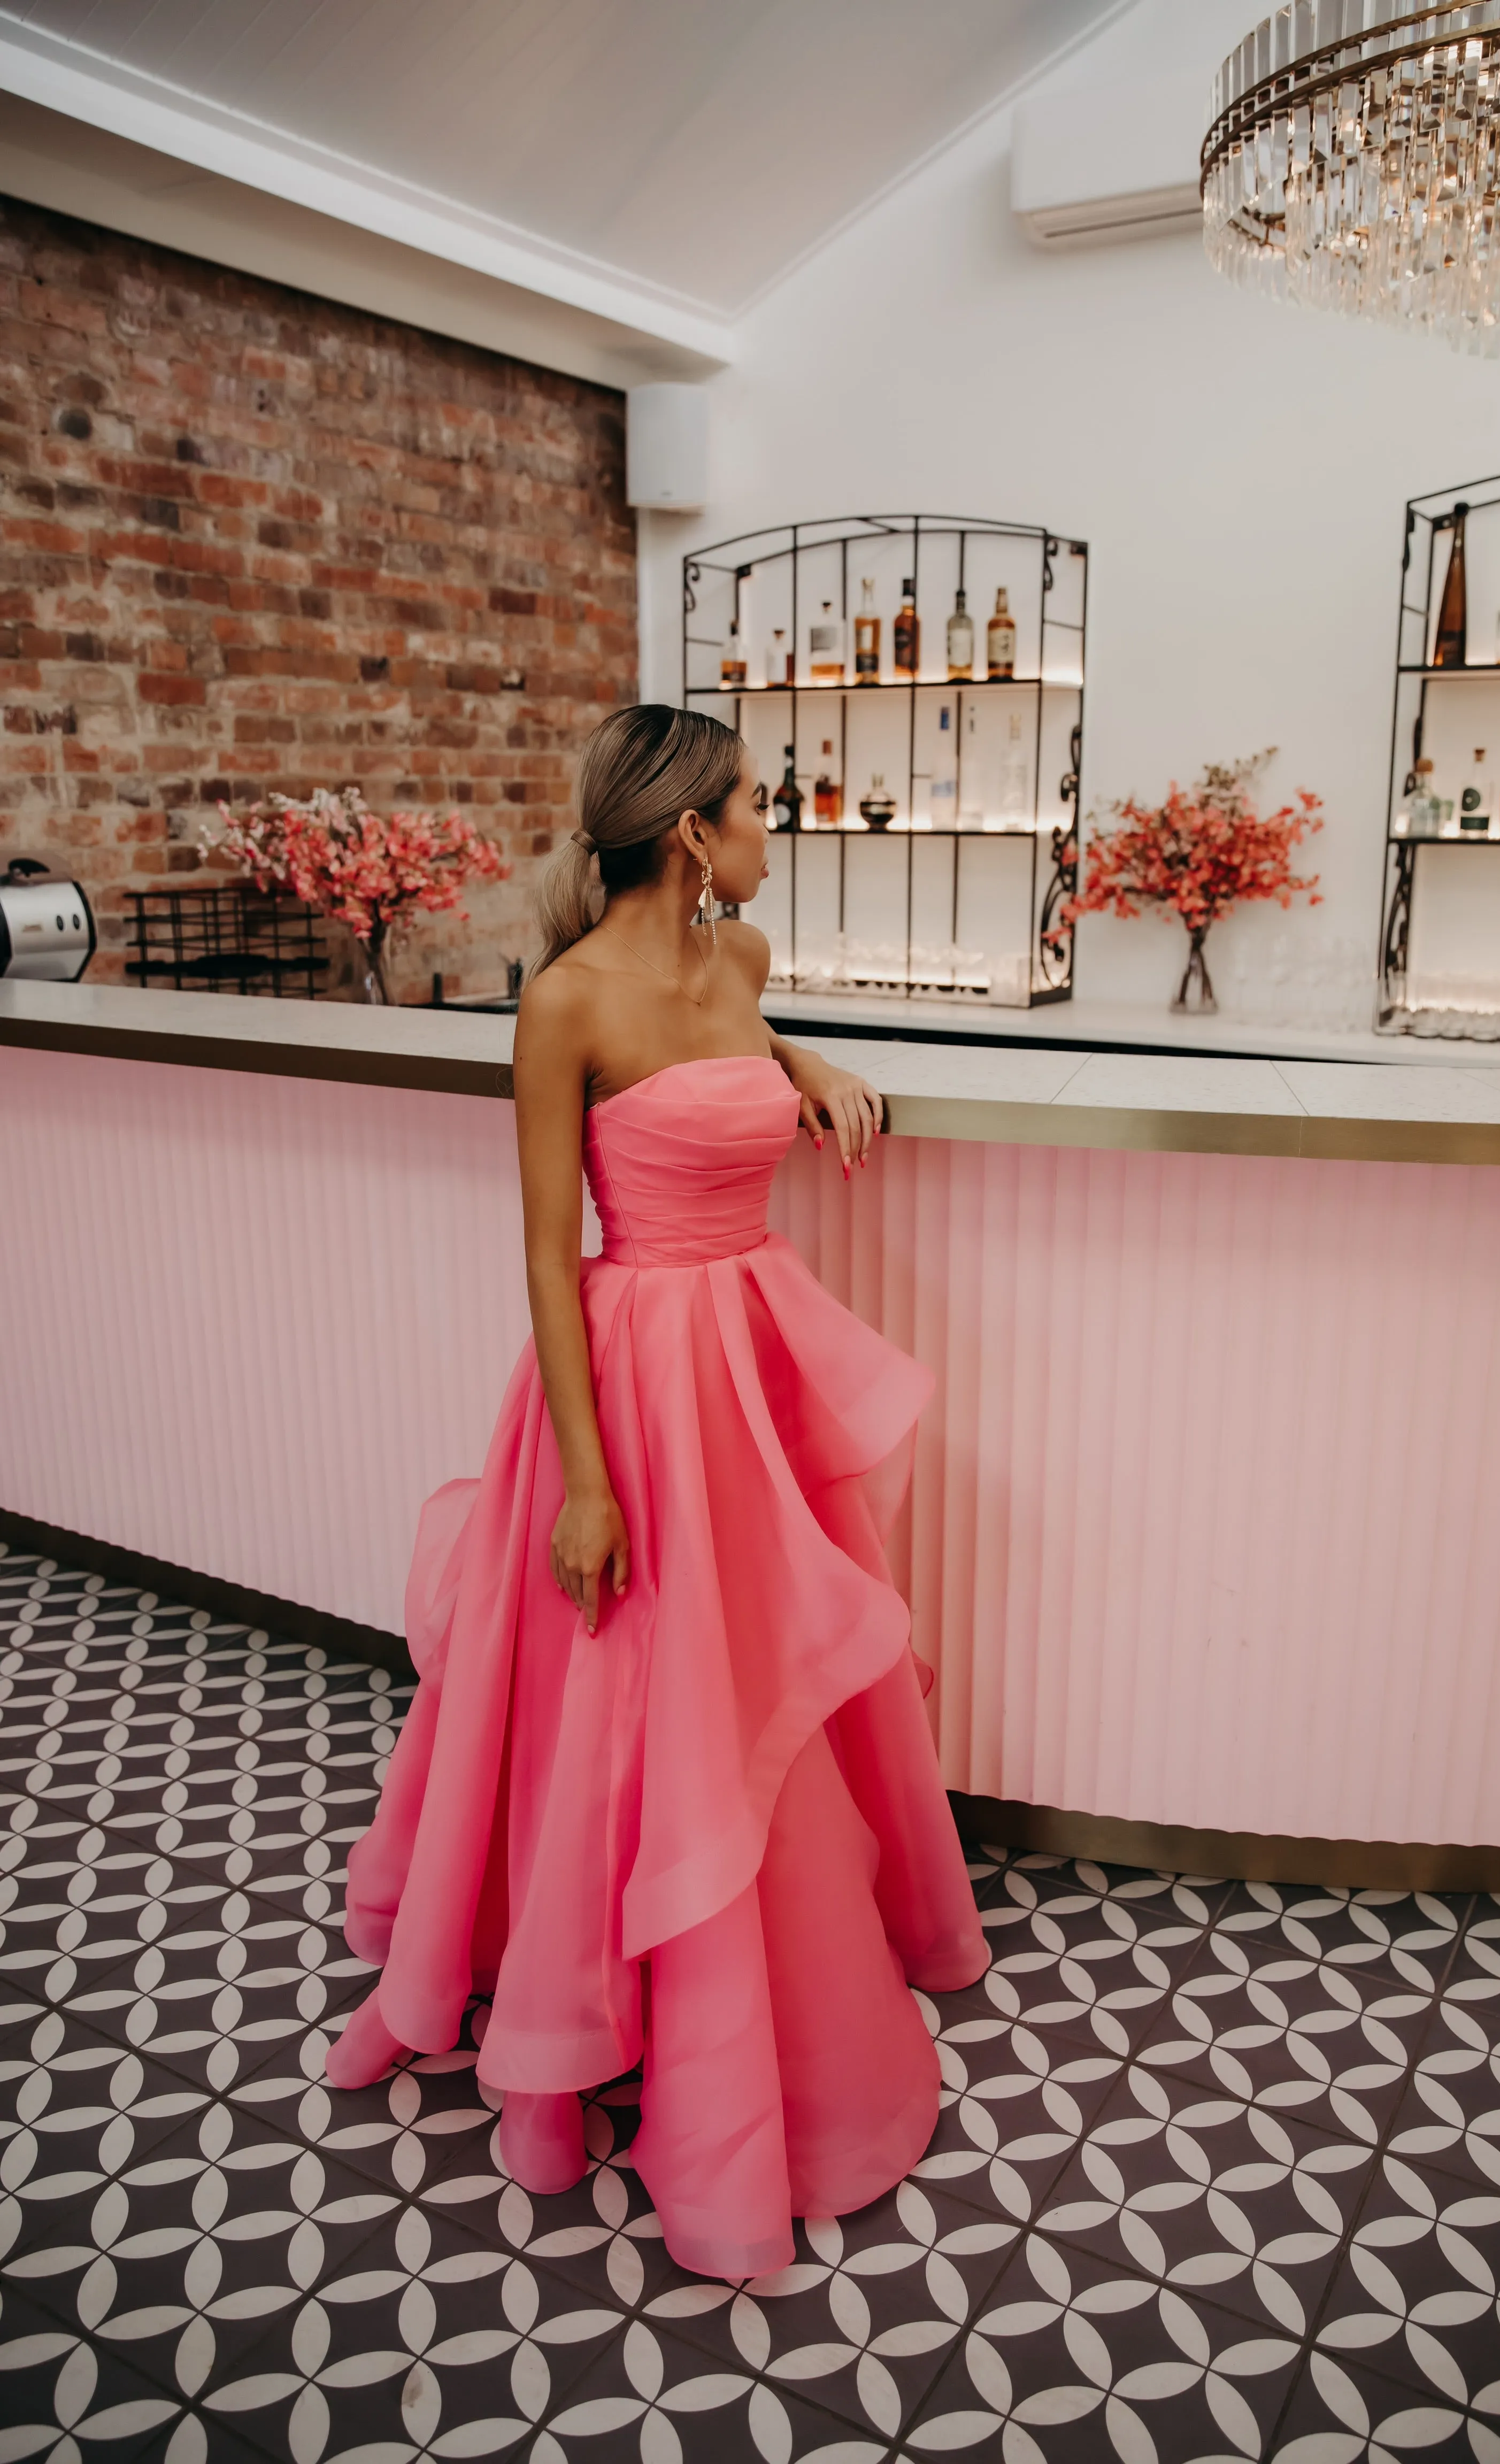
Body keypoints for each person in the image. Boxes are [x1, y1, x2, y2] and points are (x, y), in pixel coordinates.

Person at [326, 704, 987, 2279]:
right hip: (630, 1376)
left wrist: (811, 1063)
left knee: (749, 1673)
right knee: (621, 1683)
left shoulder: (741, 969)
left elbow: (738, 1058)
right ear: (692, 832)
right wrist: (585, 1480)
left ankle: (757, 1955)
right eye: (761, 805)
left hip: (747, 1358)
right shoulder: (561, 1004)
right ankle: (586, 1998)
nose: (778, 829)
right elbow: (552, 1254)